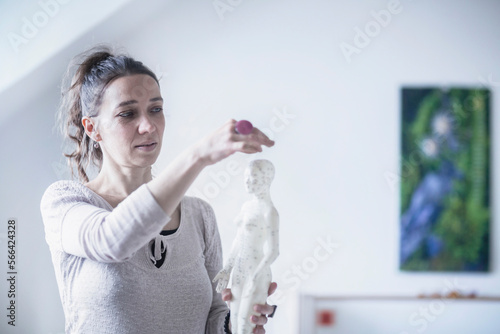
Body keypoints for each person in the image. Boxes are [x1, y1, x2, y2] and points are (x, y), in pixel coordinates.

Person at [40, 45, 277, 334]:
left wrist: (238, 320)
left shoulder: (199, 216)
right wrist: (198, 155)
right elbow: (112, 240)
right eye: (127, 114)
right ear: (92, 128)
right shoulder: (65, 202)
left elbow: (214, 315)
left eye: (156, 109)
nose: (148, 126)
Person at [214, 159, 280, 334]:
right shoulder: (246, 207)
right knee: (234, 323)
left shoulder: (269, 211)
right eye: (246, 177)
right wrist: (227, 269)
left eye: (253, 178)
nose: (247, 182)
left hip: (256, 270)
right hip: (240, 269)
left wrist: (255, 277)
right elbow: (238, 239)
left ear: (266, 180)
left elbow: (274, 251)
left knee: (245, 325)